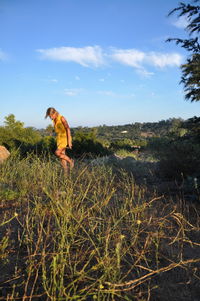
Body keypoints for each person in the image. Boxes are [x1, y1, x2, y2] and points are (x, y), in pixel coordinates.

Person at [45, 107, 74, 173]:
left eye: (51, 116)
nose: (51, 118)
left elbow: (68, 129)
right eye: (50, 117)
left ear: (55, 113)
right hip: (59, 139)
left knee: (57, 153)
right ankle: (65, 174)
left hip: (65, 138)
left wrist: (69, 141)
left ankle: (70, 161)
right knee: (62, 157)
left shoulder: (61, 118)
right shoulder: (54, 120)